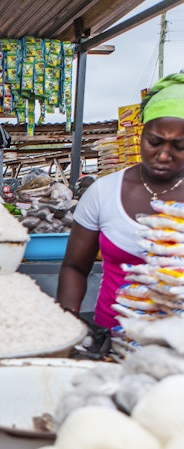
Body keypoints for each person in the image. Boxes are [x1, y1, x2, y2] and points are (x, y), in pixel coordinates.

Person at [57, 73, 184, 329]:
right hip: (114, 345)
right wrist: (67, 325)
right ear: (141, 135)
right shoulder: (104, 192)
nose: (163, 154)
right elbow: (74, 267)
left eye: (179, 145)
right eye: (154, 142)